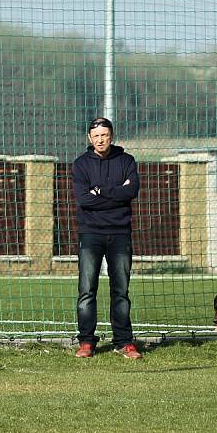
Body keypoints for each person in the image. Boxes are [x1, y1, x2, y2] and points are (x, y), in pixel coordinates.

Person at [72, 117, 142, 359]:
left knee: (121, 290)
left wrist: (100, 190)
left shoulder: (126, 161)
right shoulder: (81, 165)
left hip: (120, 233)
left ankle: (123, 341)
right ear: (90, 139)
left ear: (111, 136)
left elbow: (131, 191)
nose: (100, 139)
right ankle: (86, 342)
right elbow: (84, 200)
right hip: (91, 233)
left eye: (104, 135)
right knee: (87, 290)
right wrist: (115, 194)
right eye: (96, 136)